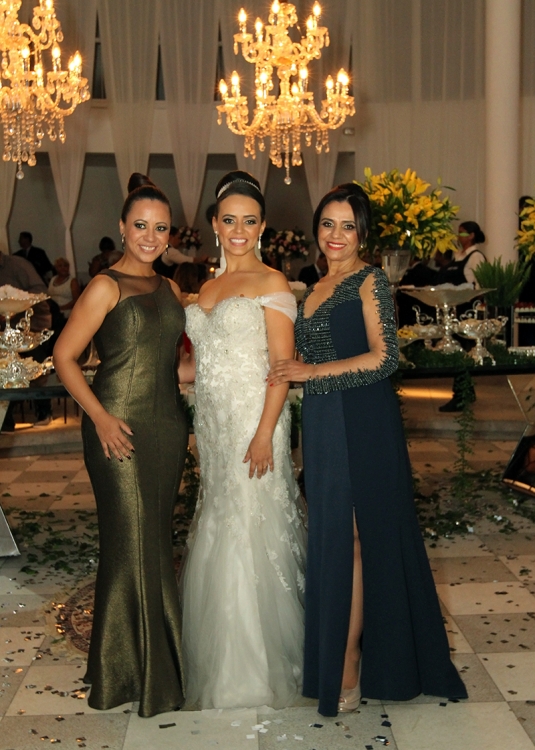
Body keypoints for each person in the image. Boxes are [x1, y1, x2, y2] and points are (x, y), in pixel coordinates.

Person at [268, 183, 467, 717]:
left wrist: (313, 372)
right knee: (334, 538)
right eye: (328, 224)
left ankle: (351, 662)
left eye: (348, 226)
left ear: (363, 234)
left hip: (366, 418)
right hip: (324, 422)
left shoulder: (370, 280)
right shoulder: (311, 288)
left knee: (359, 539)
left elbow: (385, 358)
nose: (336, 235)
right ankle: (342, 655)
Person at [53, 173, 188, 718]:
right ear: (123, 228)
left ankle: (144, 664)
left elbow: (169, 363)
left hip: (167, 428)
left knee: (153, 541)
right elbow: (65, 357)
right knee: (131, 541)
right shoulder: (105, 286)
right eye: (141, 226)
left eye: (161, 228)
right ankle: (129, 673)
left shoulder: (170, 288)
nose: (151, 237)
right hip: (117, 426)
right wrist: (102, 418)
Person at [180, 170, 306, 710]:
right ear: (214, 223)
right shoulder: (207, 288)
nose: (238, 230)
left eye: (248, 221)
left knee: (250, 531)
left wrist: (263, 434)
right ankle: (217, 664)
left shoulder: (272, 282)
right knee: (218, 525)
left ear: (262, 227)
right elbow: (202, 366)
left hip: (257, 424)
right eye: (229, 220)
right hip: (214, 430)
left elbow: (281, 367)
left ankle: (250, 674)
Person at [0, 251, 53, 429]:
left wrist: (14, 306)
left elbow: (40, 290)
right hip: (7, 330)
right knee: (6, 373)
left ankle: (44, 412)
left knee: (35, 369)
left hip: (33, 325)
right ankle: (6, 422)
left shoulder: (17, 265)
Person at [438, 221, 486, 412]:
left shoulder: (476, 257)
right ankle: (466, 391)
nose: (459, 237)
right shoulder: (457, 256)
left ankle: (461, 394)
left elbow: (480, 286)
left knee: (463, 351)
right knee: (457, 351)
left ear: (472, 236)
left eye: (463, 233)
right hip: (453, 310)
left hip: (467, 311)